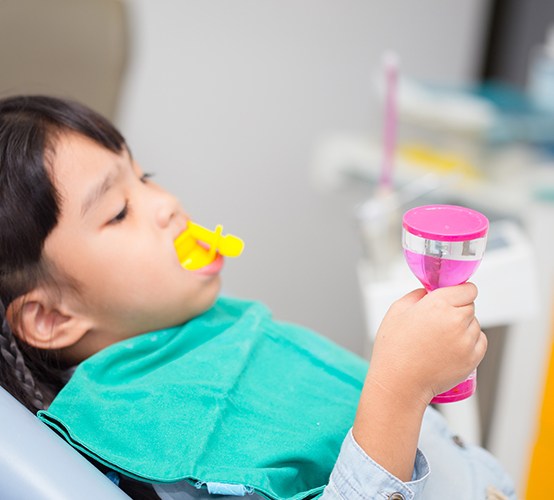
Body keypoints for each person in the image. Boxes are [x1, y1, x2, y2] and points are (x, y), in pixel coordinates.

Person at [0, 95, 516, 500]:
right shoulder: (155, 438)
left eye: (146, 177)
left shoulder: (198, 329)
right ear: (49, 317)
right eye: (118, 211)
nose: (167, 204)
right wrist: (400, 390)